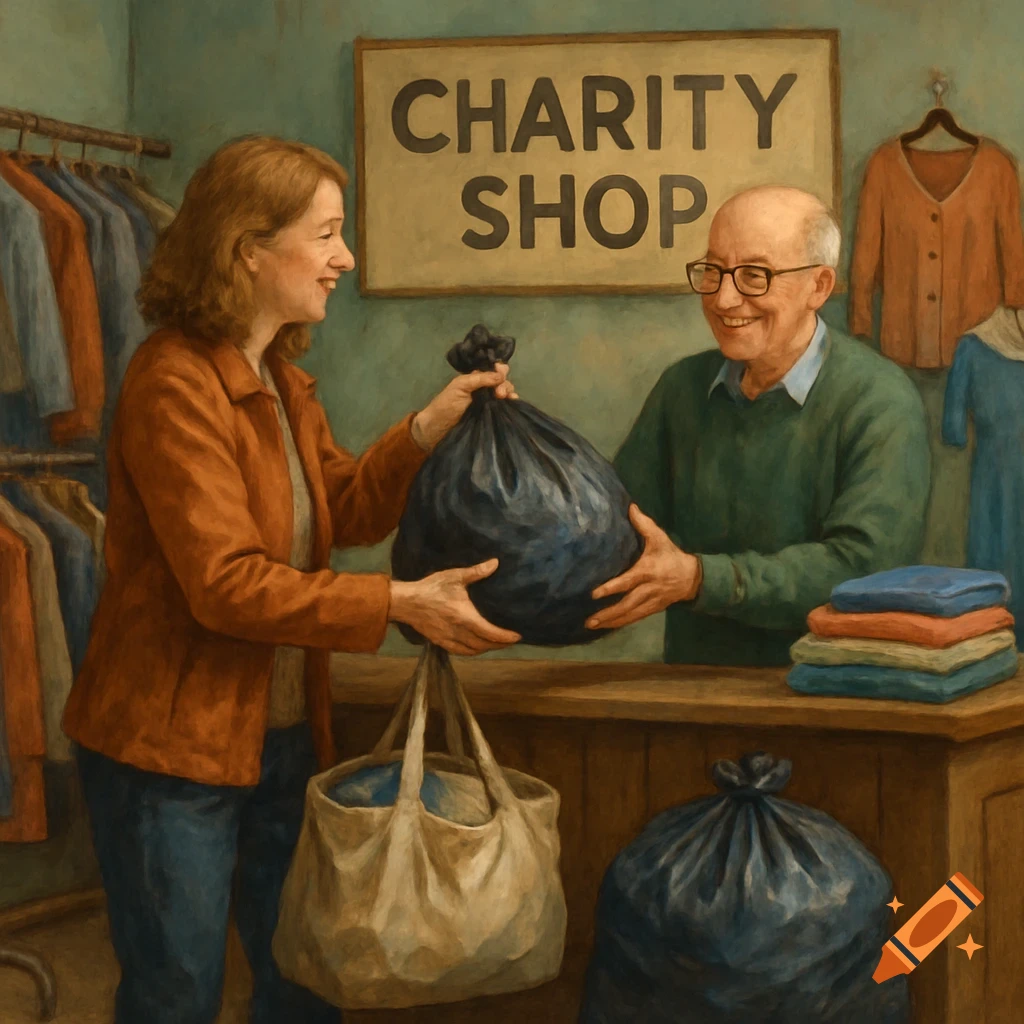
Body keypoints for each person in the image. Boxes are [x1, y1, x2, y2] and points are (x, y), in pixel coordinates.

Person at [61, 136, 521, 1024]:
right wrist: (397, 602)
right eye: (326, 235)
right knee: (177, 998)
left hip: (277, 744)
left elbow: (342, 510)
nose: (344, 258)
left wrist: (427, 427)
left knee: (304, 984)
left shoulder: (279, 379)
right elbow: (229, 585)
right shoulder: (172, 384)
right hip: (171, 758)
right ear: (247, 250)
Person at [587, 186, 930, 665]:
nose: (725, 299)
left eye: (754, 275)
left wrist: (700, 579)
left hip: (833, 698)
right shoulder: (682, 388)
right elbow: (612, 529)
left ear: (819, 287)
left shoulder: (880, 402)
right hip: (692, 692)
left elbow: (862, 569)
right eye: (713, 271)